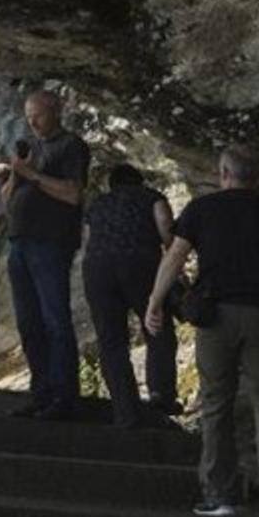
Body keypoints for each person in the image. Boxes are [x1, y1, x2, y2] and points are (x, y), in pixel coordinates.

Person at [147, 143, 259, 517]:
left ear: (223, 174)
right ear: (258, 176)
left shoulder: (203, 210)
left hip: (216, 316)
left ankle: (219, 494)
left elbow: (174, 257)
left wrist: (155, 301)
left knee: (216, 402)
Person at [0, 88, 92, 419]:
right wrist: (15, 173)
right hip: (19, 242)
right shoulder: (30, 149)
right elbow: (7, 200)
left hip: (50, 242)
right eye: (28, 116)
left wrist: (32, 175)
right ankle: (41, 391)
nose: (32, 121)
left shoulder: (70, 146)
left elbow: (73, 195)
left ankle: (64, 395)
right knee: (28, 322)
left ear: (56, 111)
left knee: (54, 319)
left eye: (38, 114)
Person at [79, 160, 179, 429]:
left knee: (111, 342)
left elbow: (88, 242)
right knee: (157, 326)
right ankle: (161, 394)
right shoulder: (151, 197)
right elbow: (167, 229)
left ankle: (125, 412)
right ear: (138, 181)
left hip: (97, 268)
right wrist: (175, 267)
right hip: (140, 262)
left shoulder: (97, 205)